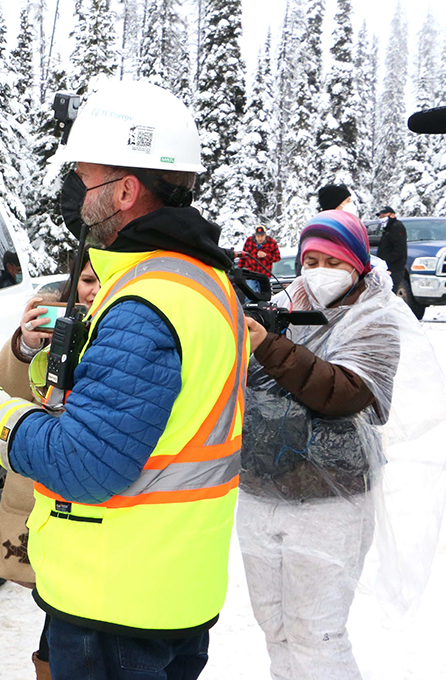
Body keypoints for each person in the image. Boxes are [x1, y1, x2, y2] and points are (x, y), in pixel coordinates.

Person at [0, 79, 248, 680]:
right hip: (167, 588)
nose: (75, 194)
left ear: (126, 191)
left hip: (118, 604)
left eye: (85, 179)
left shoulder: (145, 302)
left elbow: (87, 464)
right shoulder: (200, 282)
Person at [238, 210, 403, 680]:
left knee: (318, 634)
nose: (318, 269)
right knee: (275, 627)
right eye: (310, 258)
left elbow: (343, 393)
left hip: (333, 498)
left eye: (331, 260)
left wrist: (267, 345)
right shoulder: (281, 305)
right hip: (261, 488)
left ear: (357, 264)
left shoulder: (377, 319)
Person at [0, 251, 100, 680]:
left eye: (101, 279)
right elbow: (4, 388)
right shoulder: (57, 325)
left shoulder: (130, 328)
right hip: (45, 499)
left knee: (76, 620)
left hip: (104, 505)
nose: (93, 290)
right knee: (57, 609)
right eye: (86, 280)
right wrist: (27, 346)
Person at [375, 205, 407, 291]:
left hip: (393, 268)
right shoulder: (387, 229)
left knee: (391, 292)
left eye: (384, 216)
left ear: (392, 215)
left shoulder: (397, 227)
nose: (382, 218)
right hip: (386, 268)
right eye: (380, 216)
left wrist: (387, 262)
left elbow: (400, 249)